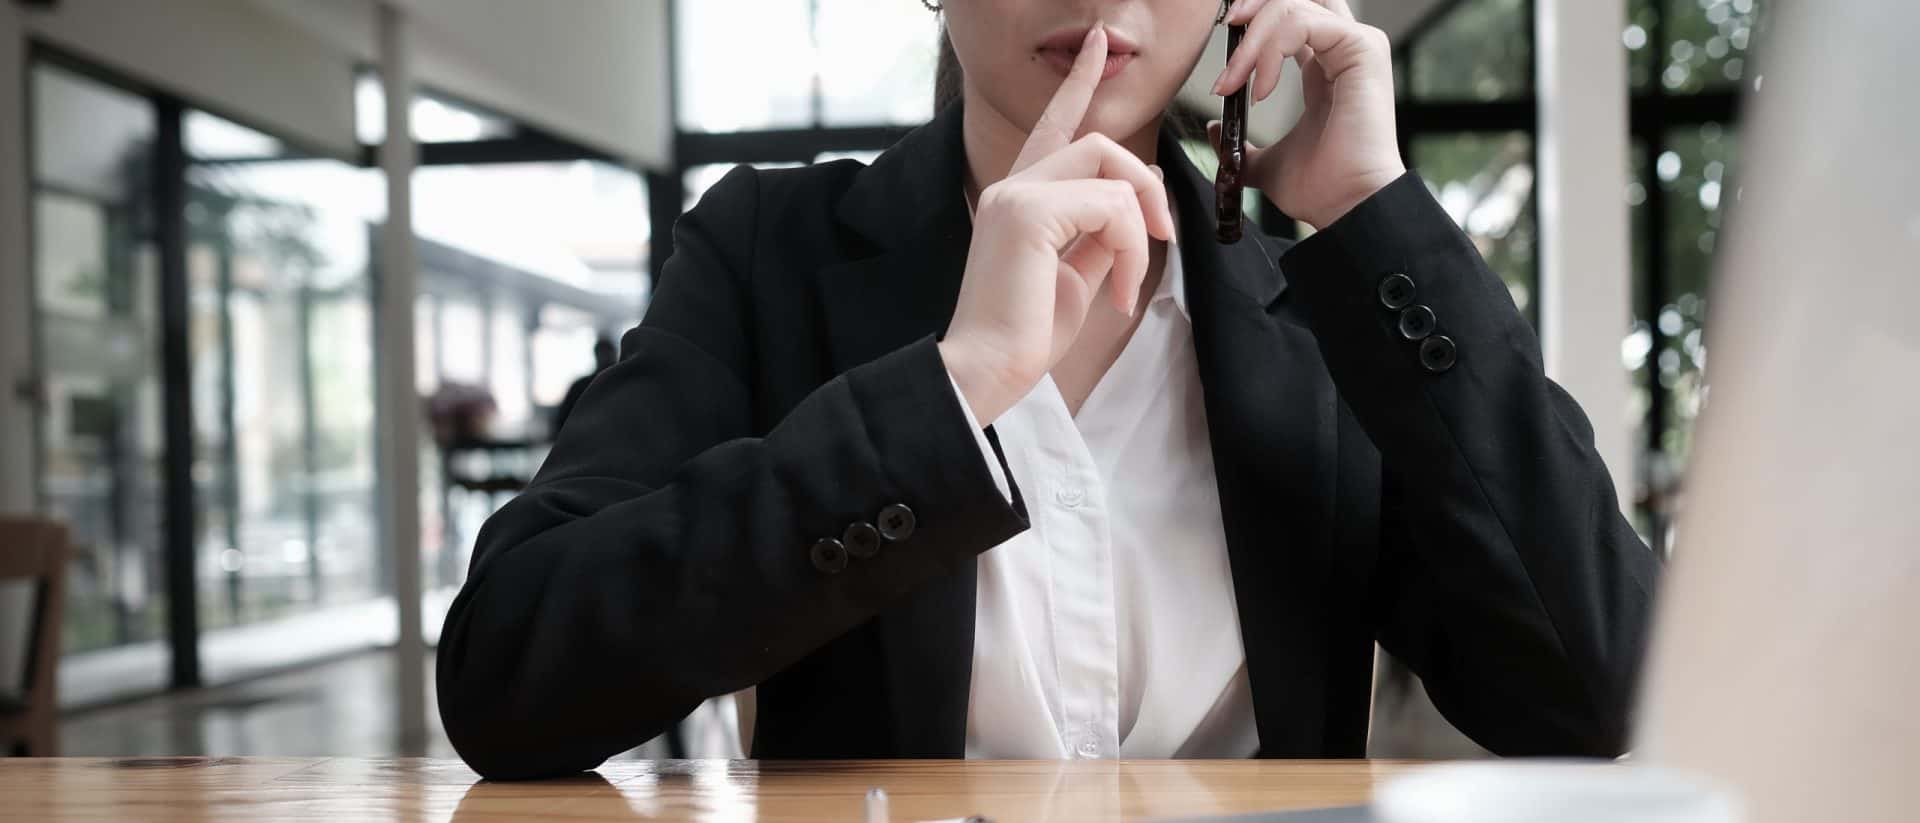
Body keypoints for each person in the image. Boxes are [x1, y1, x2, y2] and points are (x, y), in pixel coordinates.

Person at [437, 0, 1659, 780]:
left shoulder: (1330, 306)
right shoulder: (770, 251)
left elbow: (1603, 693)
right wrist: (954, 388)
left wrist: (1372, 218)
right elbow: (511, 678)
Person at [548, 336, 617, 440]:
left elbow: (561, 423)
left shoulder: (581, 385)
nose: (606, 358)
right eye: (604, 353)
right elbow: (561, 422)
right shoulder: (624, 384)